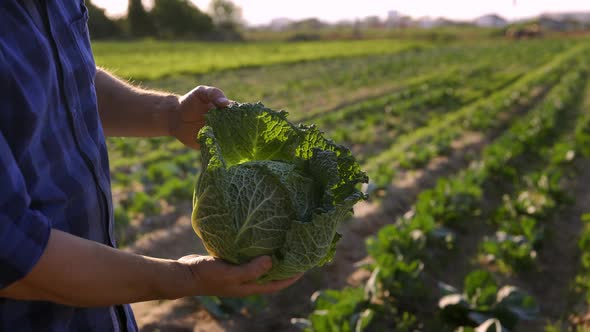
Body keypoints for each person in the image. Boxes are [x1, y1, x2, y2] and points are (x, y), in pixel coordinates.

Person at [0, 1, 300, 331]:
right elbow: (13, 255)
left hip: (101, 315)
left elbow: (61, 76)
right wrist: (185, 278)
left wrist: (168, 114)